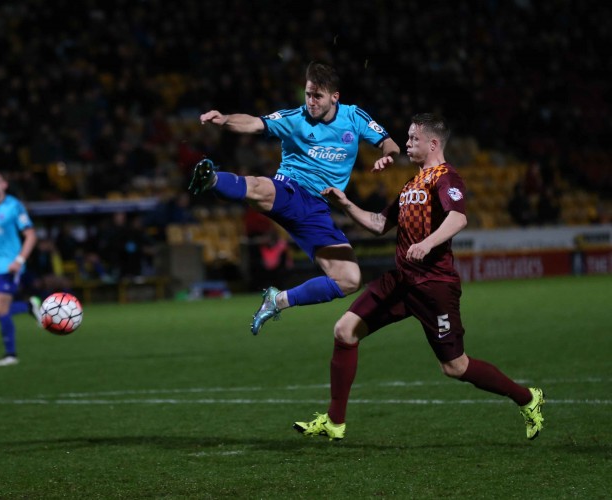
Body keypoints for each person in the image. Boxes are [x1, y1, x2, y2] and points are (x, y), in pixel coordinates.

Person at [293, 113, 545, 442]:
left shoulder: (446, 178)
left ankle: (527, 398)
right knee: (344, 330)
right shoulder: (411, 184)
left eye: (413, 139)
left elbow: (458, 219)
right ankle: (334, 421)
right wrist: (345, 204)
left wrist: (426, 244)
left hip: (434, 286)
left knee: (454, 367)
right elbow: (379, 224)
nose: (407, 144)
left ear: (433, 144)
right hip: (401, 280)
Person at [189, 61, 400, 334]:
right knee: (259, 188)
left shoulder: (354, 117)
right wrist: (225, 119)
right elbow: (255, 123)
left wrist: (388, 156)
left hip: (318, 210)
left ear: (335, 97)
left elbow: (389, 142)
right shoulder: (295, 119)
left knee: (349, 279)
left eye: (317, 96)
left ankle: (277, 300)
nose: (310, 101)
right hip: (290, 190)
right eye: (308, 94)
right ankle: (212, 179)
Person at [0, 171, 41, 367]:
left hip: (10, 265)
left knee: (1, 310)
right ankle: (29, 306)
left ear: (4, 185)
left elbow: (31, 235)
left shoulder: (14, 206)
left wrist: (19, 260)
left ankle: (11, 355)